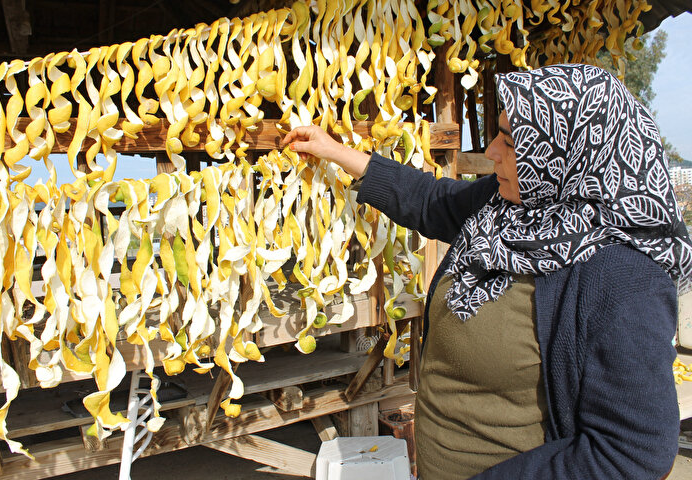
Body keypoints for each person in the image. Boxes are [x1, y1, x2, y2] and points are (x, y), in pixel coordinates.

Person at [282, 63, 690, 479]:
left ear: (567, 155)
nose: (492, 150)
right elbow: (433, 200)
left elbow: (631, 453)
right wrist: (335, 151)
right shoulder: (508, 207)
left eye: (511, 142)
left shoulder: (623, 277)